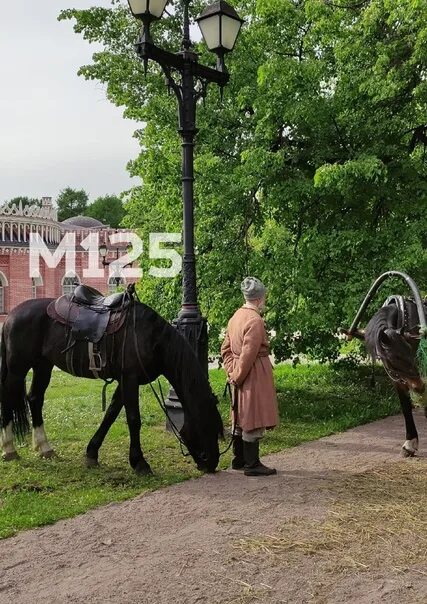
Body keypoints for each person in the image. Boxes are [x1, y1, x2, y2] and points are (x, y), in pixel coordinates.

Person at [221, 277, 279, 476]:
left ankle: (240, 459)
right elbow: (248, 355)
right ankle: (251, 464)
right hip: (252, 374)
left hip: (241, 372)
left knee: (241, 414)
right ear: (259, 298)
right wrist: (237, 375)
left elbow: (226, 349)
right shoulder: (255, 321)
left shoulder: (236, 316)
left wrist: (231, 371)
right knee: (251, 415)